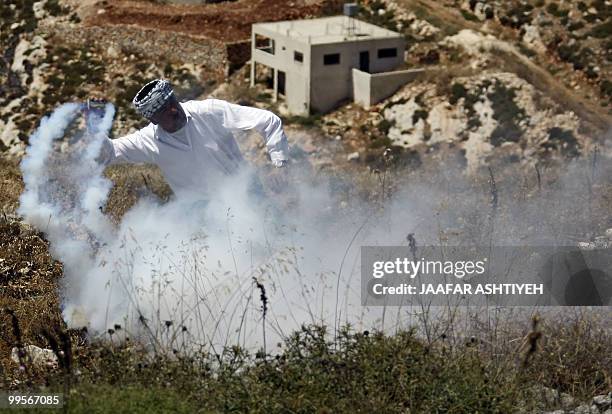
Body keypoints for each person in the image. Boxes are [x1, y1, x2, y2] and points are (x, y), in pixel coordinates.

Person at [89, 78, 290, 200]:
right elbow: (110, 154)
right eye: (165, 111)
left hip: (250, 198)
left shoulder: (209, 111)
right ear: (152, 119)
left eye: (173, 102)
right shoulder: (149, 140)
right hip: (204, 219)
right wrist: (96, 129)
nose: (174, 110)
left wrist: (280, 166)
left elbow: (268, 120)